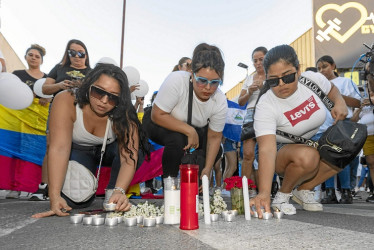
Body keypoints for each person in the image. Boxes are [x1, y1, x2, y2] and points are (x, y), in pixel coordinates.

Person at [32, 63, 149, 218]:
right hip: (78, 150)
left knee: (137, 149)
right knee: (74, 202)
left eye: (113, 97)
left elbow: (129, 157)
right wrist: (54, 196)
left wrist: (120, 190)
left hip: (109, 151)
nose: (104, 101)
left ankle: (112, 194)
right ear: (88, 85)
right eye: (98, 92)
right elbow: (59, 148)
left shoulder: (124, 112)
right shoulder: (66, 99)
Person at [249, 45, 348, 217]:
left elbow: (332, 91)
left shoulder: (312, 80)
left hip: (312, 140)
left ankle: (303, 190)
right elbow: (266, 148)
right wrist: (264, 192)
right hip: (279, 149)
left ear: (299, 70)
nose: (281, 84)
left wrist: (339, 102)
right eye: (273, 80)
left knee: (345, 147)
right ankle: (282, 195)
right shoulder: (266, 104)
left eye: (288, 76)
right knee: (308, 156)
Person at [145, 43, 227, 182]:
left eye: (214, 82)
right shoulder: (176, 80)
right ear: (191, 74)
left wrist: (207, 168)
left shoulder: (219, 100)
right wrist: (189, 130)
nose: (208, 88)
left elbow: (214, 137)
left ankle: (198, 187)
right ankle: (169, 185)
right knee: (178, 138)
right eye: (202, 80)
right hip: (158, 121)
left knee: (214, 151)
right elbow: (157, 115)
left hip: (193, 129)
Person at [30, 39, 91, 201]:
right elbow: (44, 88)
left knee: (77, 147)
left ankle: (71, 186)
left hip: (81, 113)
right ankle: (44, 185)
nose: (77, 56)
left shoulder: (92, 72)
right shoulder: (59, 68)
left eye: (81, 53)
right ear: (67, 53)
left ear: (86, 55)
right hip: (58, 111)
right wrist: (61, 85)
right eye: (72, 52)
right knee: (52, 146)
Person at [4, 44, 49, 199]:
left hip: (38, 125)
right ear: (25, 57)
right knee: (16, 153)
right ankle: (14, 187)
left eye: (37, 56)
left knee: (35, 154)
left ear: (42, 60)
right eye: (31, 55)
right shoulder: (17, 75)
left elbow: (54, 96)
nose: (33, 58)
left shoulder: (47, 79)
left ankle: (32, 186)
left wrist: (47, 97)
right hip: (17, 122)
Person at [316, 55, 361, 204]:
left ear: (333, 65)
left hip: (341, 125)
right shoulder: (318, 86)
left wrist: (336, 95)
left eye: (325, 66)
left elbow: (358, 102)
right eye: (319, 68)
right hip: (323, 127)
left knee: (342, 159)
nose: (322, 70)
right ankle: (330, 192)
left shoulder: (345, 82)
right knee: (326, 160)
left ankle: (346, 192)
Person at [238, 47, 267, 182]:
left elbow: (279, 96)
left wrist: (263, 87)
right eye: (255, 61)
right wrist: (249, 91)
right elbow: (240, 101)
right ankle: (244, 189)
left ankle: (264, 189)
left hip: (267, 114)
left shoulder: (273, 76)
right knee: (248, 155)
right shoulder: (248, 78)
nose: (258, 63)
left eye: (261, 59)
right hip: (250, 114)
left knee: (264, 154)